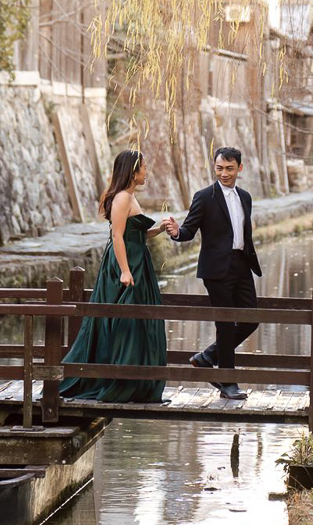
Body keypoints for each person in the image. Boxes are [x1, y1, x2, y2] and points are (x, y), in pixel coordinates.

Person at [61, 149, 174, 403]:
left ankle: (135, 383)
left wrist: (159, 229)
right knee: (124, 322)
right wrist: (124, 270)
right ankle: (118, 381)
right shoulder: (122, 198)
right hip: (125, 265)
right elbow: (117, 236)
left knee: (137, 321)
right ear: (133, 171)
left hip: (136, 260)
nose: (147, 171)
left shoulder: (130, 197)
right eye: (144, 167)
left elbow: (136, 235)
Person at [164, 146, 262, 401]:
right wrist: (176, 232)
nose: (224, 173)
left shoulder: (246, 197)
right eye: (219, 168)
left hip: (242, 265)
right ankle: (228, 383)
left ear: (240, 168)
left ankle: (207, 356)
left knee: (251, 319)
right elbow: (189, 230)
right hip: (217, 270)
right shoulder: (204, 196)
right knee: (226, 324)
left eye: (229, 168)